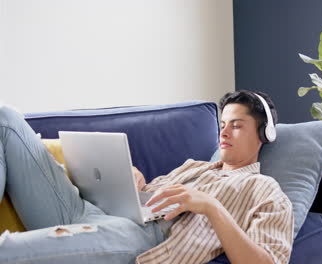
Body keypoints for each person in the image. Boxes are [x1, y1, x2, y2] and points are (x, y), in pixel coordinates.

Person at [0, 90, 293, 264]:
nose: (224, 132)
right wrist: (133, 181)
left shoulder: (264, 189)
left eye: (237, 126)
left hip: (137, 236)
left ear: (264, 134)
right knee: (6, 118)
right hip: (88, 209)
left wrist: (211, 206)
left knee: (9, 251)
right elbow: (148, 198)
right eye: (223, 124)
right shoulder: (194, 166)